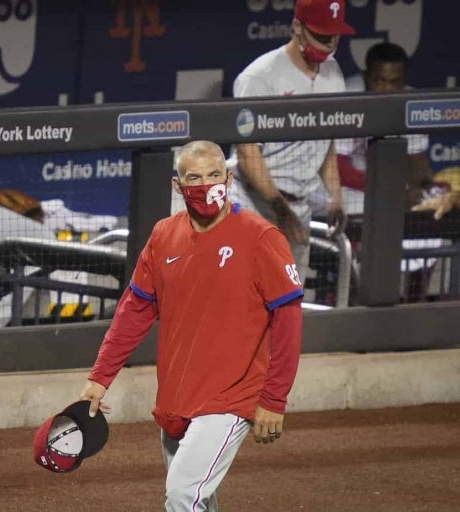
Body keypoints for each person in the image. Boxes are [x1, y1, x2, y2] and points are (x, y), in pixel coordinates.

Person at [80, 140, 303, 512]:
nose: (205, 185)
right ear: (177, 185)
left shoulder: (260, 238)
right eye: (194, 177)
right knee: (198, 498)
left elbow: (288, 321)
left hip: (231, 397)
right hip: (176, 396)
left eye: (214, 175)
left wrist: (273, 399)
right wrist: (100, 376)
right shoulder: (164, 235)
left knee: (184, 495)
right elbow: (134, 311)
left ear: (228, 179)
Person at [228, 0, 355, 285]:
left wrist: (335, 196)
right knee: (242, 296)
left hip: (298, 206)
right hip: (251, 200)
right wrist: (280, 210)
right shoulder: (259, 77)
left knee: (286, 301)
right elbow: (248, 155)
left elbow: (326, 141)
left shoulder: (334, 74)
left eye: (335, 36)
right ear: (297, 27)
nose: (329, 45)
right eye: (322, 36)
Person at [310, 42, 435, 216]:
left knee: (426, 206)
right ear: (366, 76)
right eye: (379, 80)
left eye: (394, 82)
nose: (387, 89)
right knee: (369, 207)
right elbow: (338, 170)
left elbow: (416, 161)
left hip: (383, 186)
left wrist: (425, 187)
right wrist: (392, 194)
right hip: (338, 185)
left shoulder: (410, 104)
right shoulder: (348, 98)